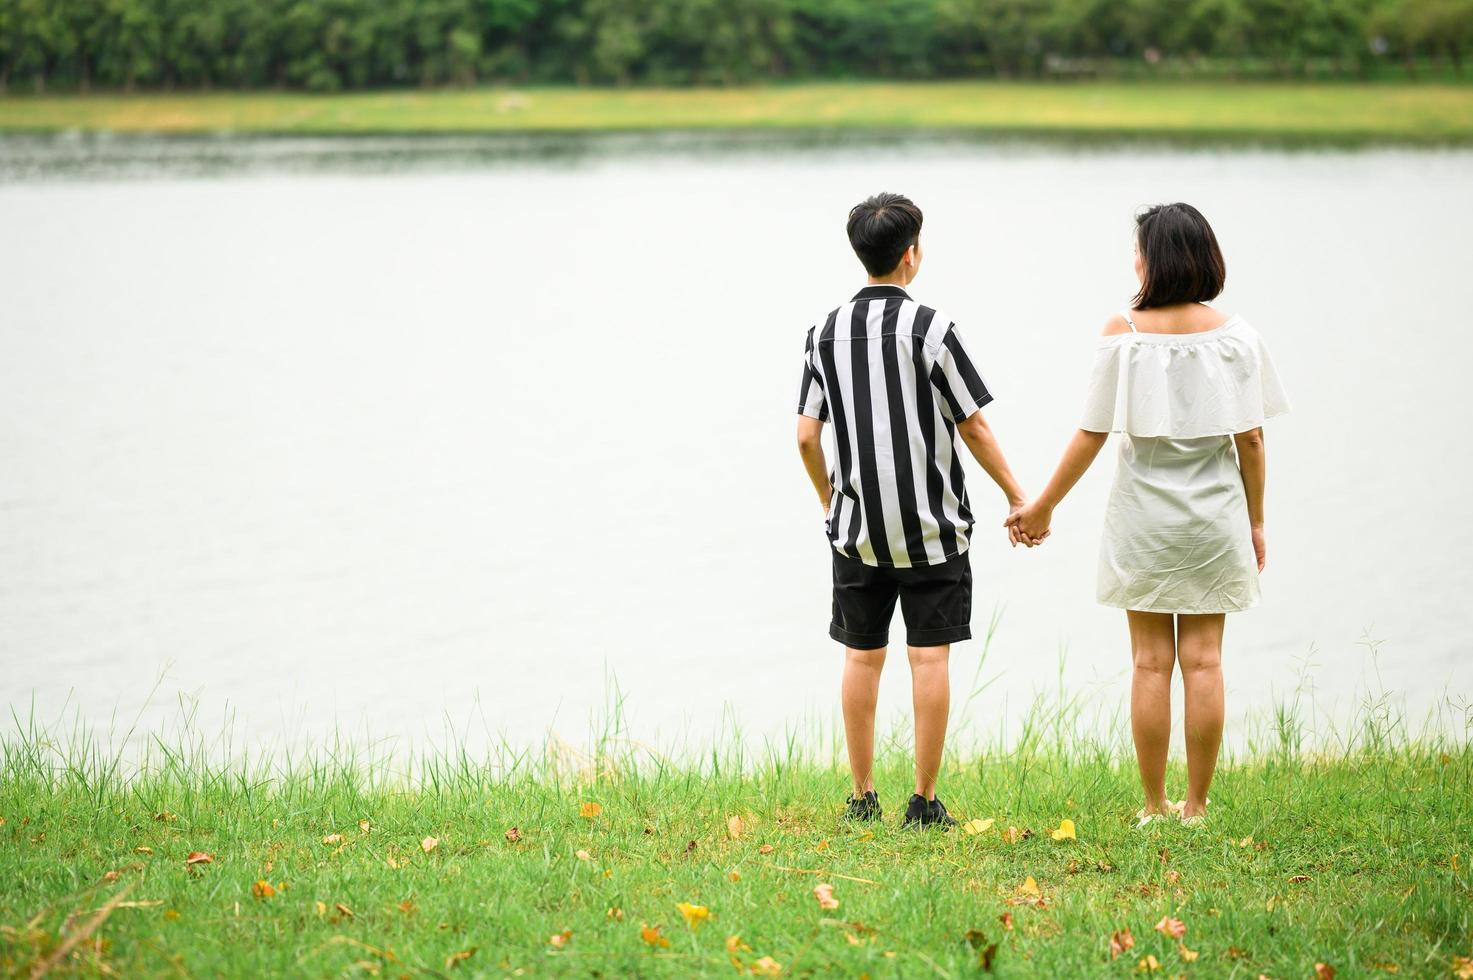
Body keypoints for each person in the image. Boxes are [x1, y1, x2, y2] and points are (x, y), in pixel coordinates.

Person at [1007, 203, 1290, 826]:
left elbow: (1091, 433)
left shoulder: (1124, 333)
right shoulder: (1238, 337)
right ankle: (1197, 806)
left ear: (1153, 259)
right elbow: (1252, 442)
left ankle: (1154, 805)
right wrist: (1257, 520)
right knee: (1206, 661)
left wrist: (1042, 505)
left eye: (1138, 249)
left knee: (1150, 663)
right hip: (1214, 518)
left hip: (1143, 518)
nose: (1132, 260)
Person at [795, 192, 1029, 829]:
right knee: (929, 659)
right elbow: (973, 426)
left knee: (861, 656)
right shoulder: (932, 328)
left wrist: (827, 498)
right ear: (911, 255)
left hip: (857, 531)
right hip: (932, 530)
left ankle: (862, 795)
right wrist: (1016, 495)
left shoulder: (823, 333)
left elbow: (807, 437)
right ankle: (924, 801)